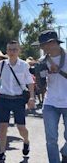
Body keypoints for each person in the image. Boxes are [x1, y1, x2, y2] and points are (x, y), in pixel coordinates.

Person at [0, 40, 35, 162]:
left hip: (18, 99)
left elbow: (30, 82)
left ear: (19, 51)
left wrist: (31, 97)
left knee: (21, 127)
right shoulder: (1, 64)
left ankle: (26, 141)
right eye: (10, 49)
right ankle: (1, 153)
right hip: (4, 98)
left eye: (15, 49)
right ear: (6, 51)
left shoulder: (24, 65)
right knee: (2, 127)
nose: (12, 52)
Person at [33, 30, 67, 163]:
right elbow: (40, 86)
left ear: (53, 43)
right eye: (41, 45)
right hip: (50, 103)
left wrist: (59, 70)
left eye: (44, 45)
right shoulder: (42, 61)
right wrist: (41, 71)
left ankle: (64, 151)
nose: (42, 48)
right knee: (51, 139)